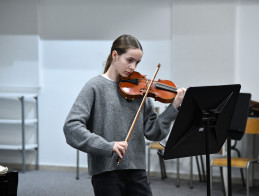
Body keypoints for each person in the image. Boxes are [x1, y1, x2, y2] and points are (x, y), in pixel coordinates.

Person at [63, 34, 186, 196]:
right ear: (115, 55)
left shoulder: (141, 90)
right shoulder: (95, 86)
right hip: (106, 172)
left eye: (137, 62)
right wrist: (108, 146)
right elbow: (71, 128)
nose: (134, 67)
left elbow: (154, 132)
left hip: (137, 170)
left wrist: (174, 107)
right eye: (129, 60)